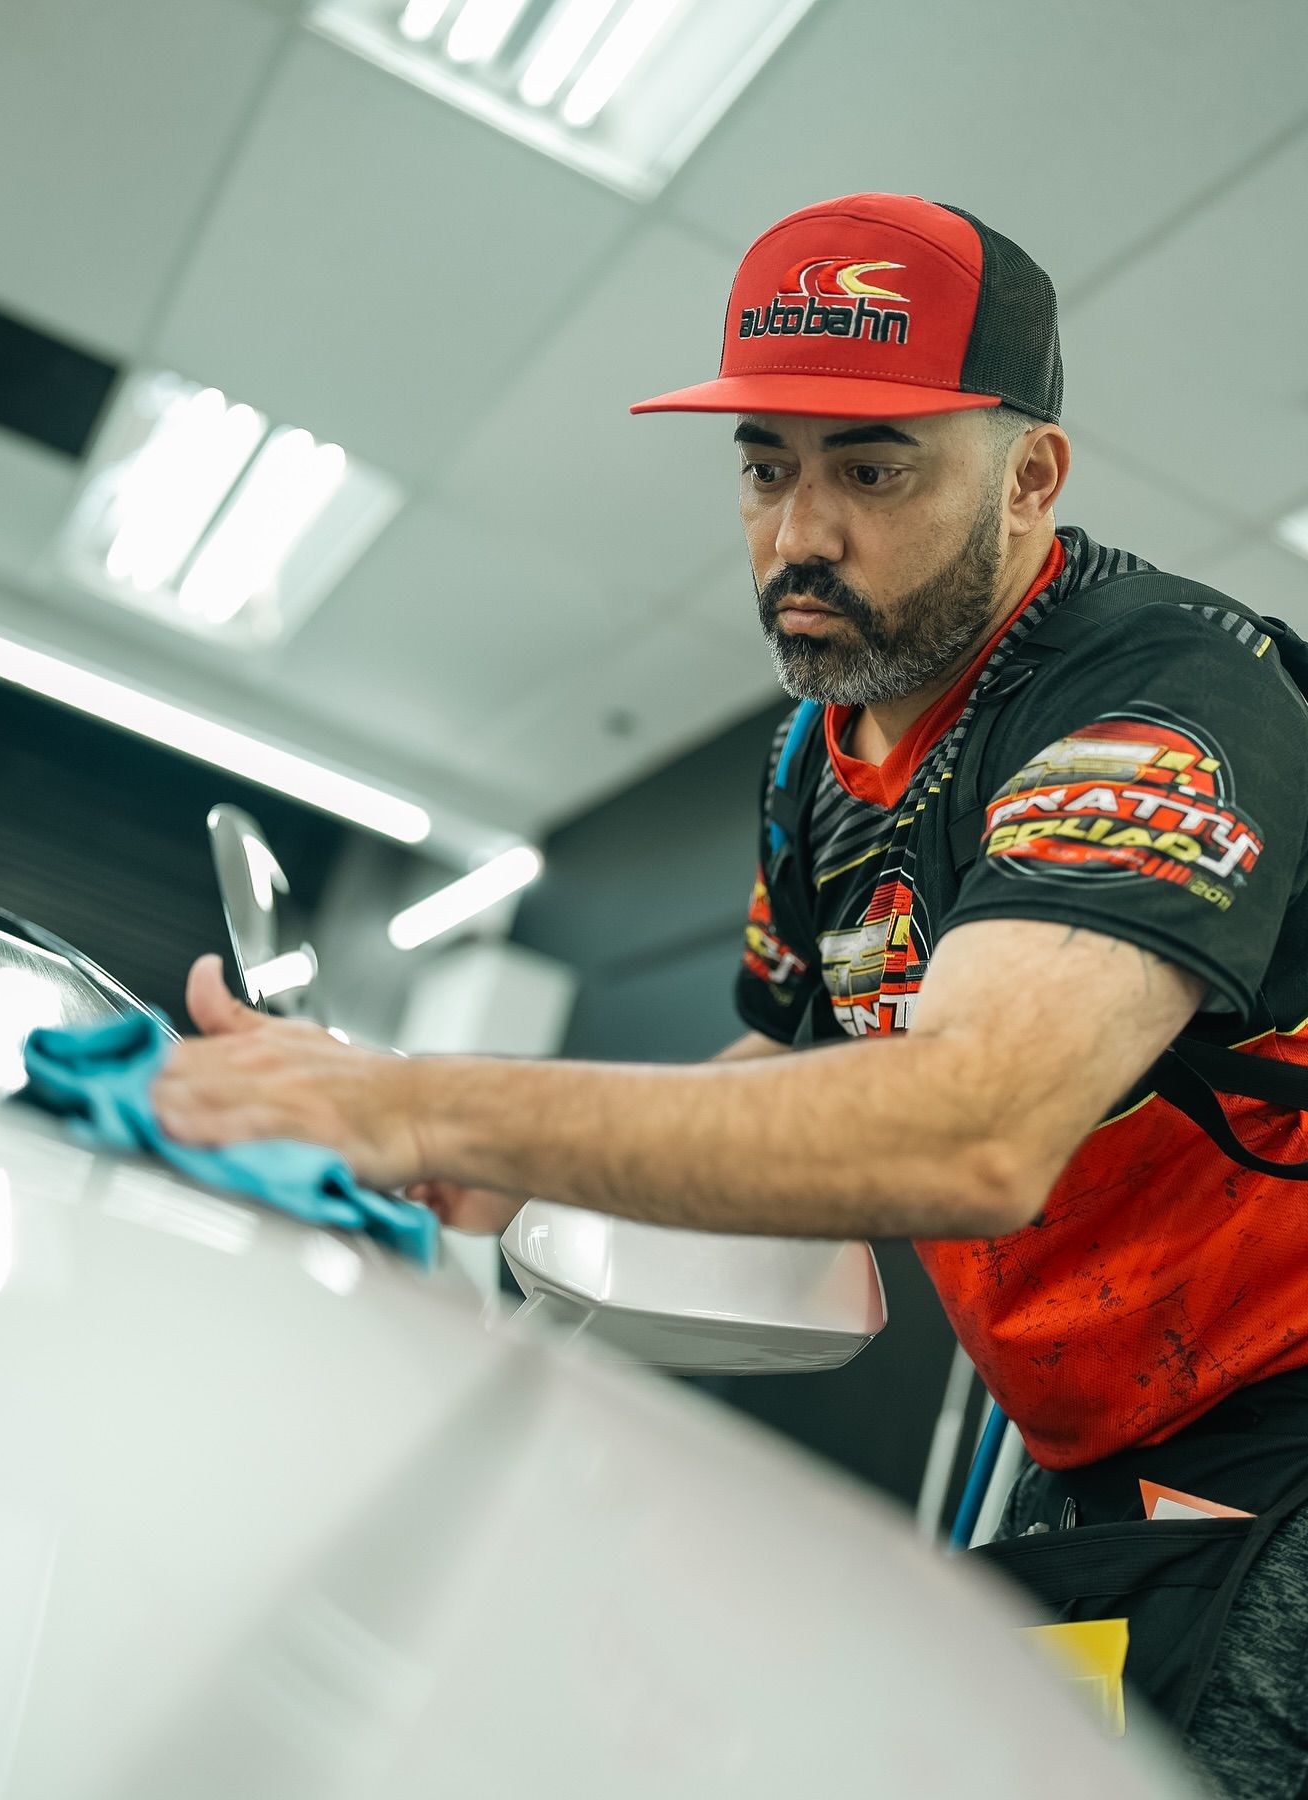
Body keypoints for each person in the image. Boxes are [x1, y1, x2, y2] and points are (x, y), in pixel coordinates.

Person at [155, 194, 1308, 1794]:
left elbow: (978, 1125)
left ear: (1032, 475)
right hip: (1096, 1442)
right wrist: (513, 1151)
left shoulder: (1165, 692)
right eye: (768, 466)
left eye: (873, 469)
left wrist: (417, 1097)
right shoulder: (807, 771)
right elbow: (791, 1075)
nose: (799, 535)